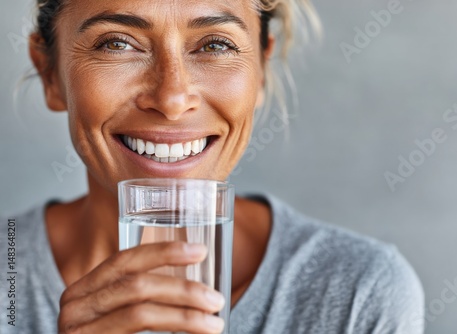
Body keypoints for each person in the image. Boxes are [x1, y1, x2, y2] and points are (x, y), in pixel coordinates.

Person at [0, 0, 425, 333]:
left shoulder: (359, 291)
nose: (171, 98)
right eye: (117, 43)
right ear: (50, 73)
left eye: (215, 45)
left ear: (261, 70)